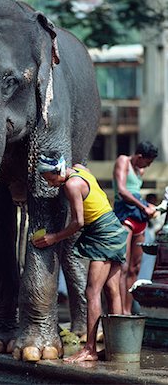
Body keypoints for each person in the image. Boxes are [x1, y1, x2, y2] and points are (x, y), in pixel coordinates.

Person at [33, 152, 127, 362]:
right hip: (115, 229)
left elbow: (78, 223)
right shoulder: (79, 169)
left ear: (58, 170)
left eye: (50, 178)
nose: (49, 183)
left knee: (92, 292)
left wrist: (54, 238)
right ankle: (117, 348)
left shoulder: (71, 185)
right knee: (113, 292)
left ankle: (90, 349)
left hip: (103, 234)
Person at [113, 141, 158, 315]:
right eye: (147, 161)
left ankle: (128, 309)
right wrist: (144, 206)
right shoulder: (123, 161)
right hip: (125, 212)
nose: (148, 165)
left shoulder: (141, 170)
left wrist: (148, 208)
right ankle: (119, 311)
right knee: (122, 266)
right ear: (139, 157)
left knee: (135, 268)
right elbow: (123, 191)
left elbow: (136, 191)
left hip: (139, 215)